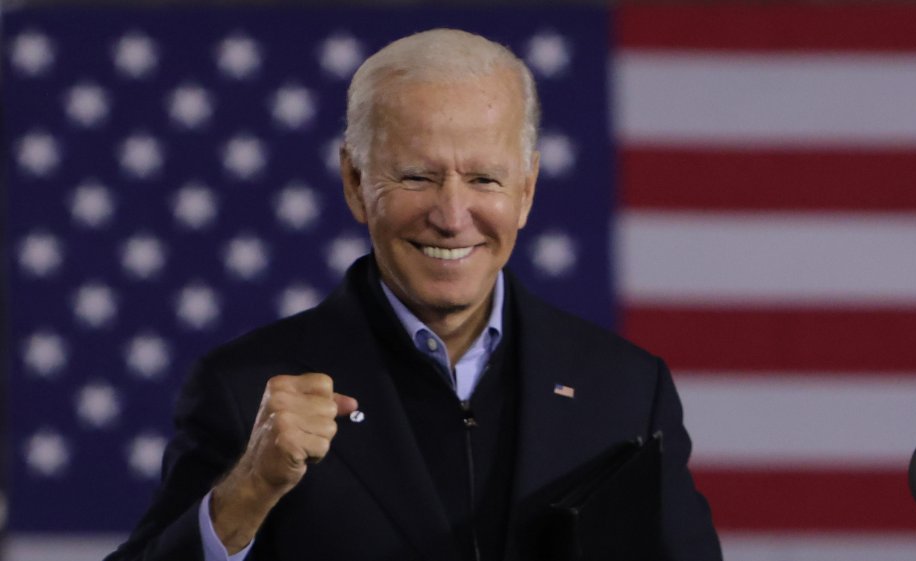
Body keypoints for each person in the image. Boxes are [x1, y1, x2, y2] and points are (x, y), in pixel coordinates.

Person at [106, 28, 722, 561]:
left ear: (527, 189)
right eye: (416, 177)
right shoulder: (245, 391)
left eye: (484, 179)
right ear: (354, 182)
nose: (452, 217)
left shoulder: (626, 391)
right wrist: (246, 493)